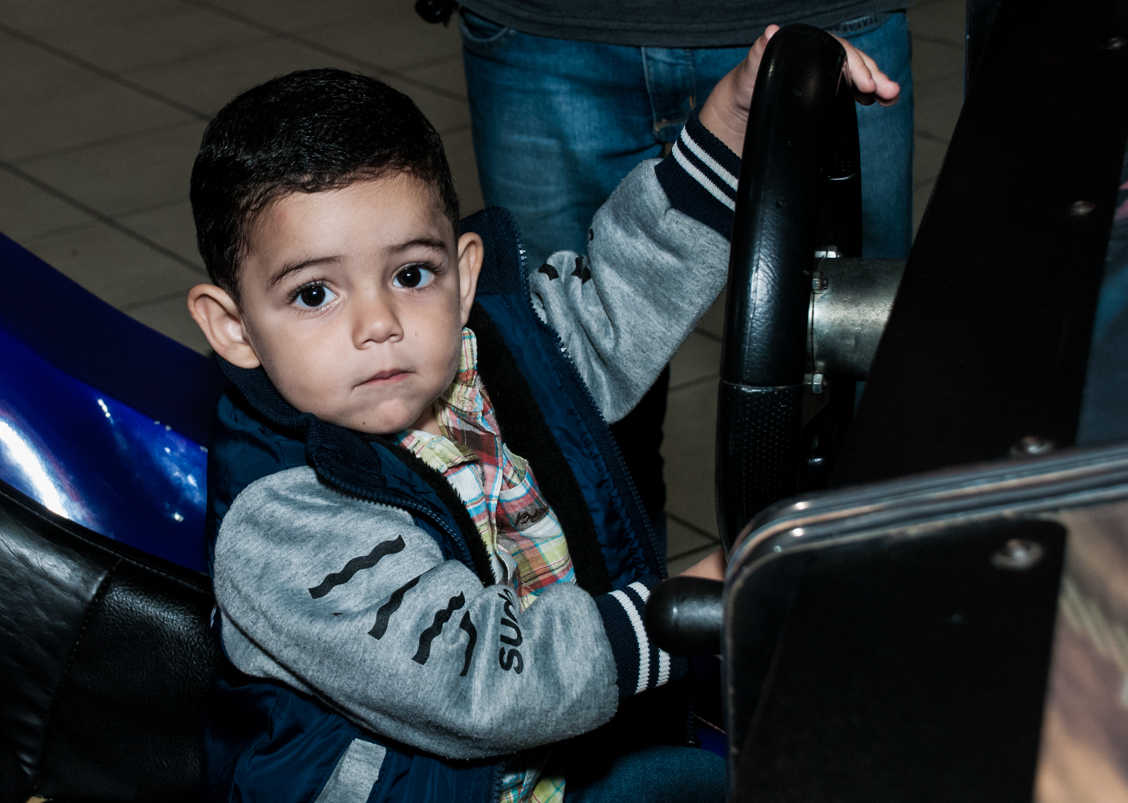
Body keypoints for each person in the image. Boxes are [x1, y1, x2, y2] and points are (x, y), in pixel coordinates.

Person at [185, 27, 898, 803]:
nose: (379, 323)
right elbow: (485, 684)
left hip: (564, 756)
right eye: (315, 293)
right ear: (232, 326)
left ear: (462, 275)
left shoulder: (484, 357)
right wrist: (686, 605)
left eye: (411, 273)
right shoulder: (285, 521)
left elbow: (617, 299)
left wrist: (730, 124)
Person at [455, 4, 915, 532]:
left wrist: (724, 124)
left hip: (824, 15)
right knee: (570, 439)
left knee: (866, 429)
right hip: (544, 28)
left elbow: (600, 327)